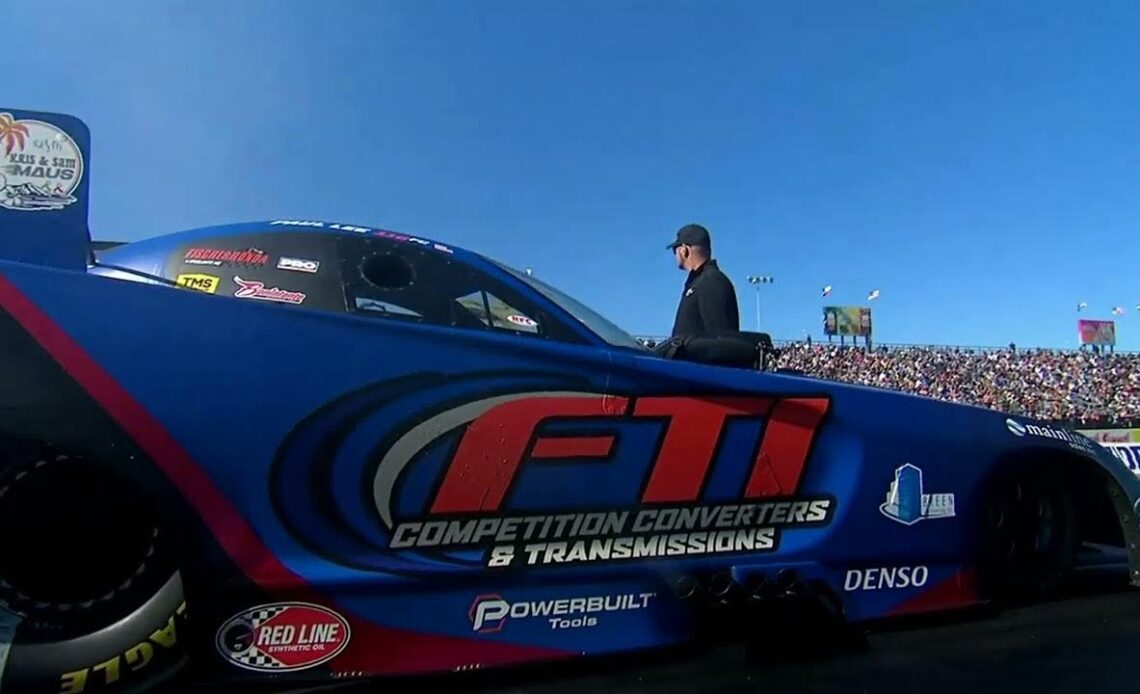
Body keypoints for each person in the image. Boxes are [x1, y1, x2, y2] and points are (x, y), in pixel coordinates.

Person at [666, 223, 740, 338]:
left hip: (696, 357)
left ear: (684, 250)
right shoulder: (698, 281)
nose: (675, 255)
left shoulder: (712, 281)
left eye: (675, 250)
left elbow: (721, 339)